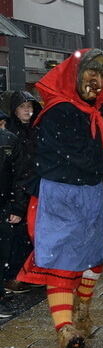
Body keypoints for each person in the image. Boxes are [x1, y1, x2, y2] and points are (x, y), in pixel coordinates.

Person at [15, 50, 103, 348]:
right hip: (61, 194)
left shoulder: (100, 111)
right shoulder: (59, 112)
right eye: (90, 72)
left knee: (92, 257)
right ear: (73, 75)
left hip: (91, 193)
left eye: (102, 75)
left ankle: (83, 312)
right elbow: (82, 154)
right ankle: (64, 329)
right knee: (63, 260)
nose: (96, 80)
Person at [0, 109, 28, 302]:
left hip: (4, 203)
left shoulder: (9, 140)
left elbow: (19, 176)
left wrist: (18, 207)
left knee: (4, 249)